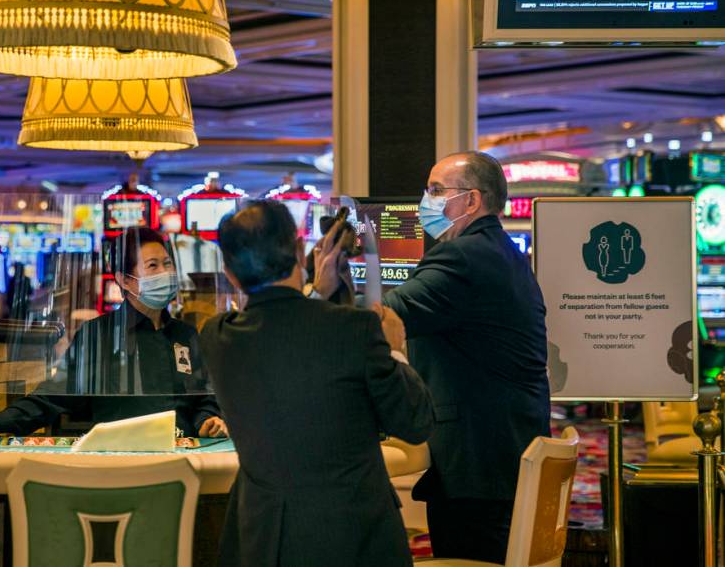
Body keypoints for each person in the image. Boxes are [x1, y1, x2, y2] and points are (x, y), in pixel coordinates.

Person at [309, 151, 550, 564]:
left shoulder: (462, 257)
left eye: (437, 190)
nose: (426, 200)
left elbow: (384, 322)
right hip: (502, 451)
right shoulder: (500, 252)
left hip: (478, 464)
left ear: (472, 201)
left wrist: (323, 288)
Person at [201, 200, 434, 567]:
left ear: (229, 273)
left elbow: (283, 331)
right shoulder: (356, 329)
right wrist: (395, 350)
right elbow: (415, 422)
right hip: (355, 538)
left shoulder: (218, 337)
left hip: (263, 539)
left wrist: (315, 291)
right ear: (298, 250)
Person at [0, 226, 227, 439]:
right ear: (124, 280)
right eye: (153, 266)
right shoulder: (100, 334)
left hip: (184, 456)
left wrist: (207, 420)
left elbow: (205, 398)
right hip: (121, 459)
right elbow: (54, 396)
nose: (165, 273)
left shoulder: (186, 334)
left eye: (167, 264)